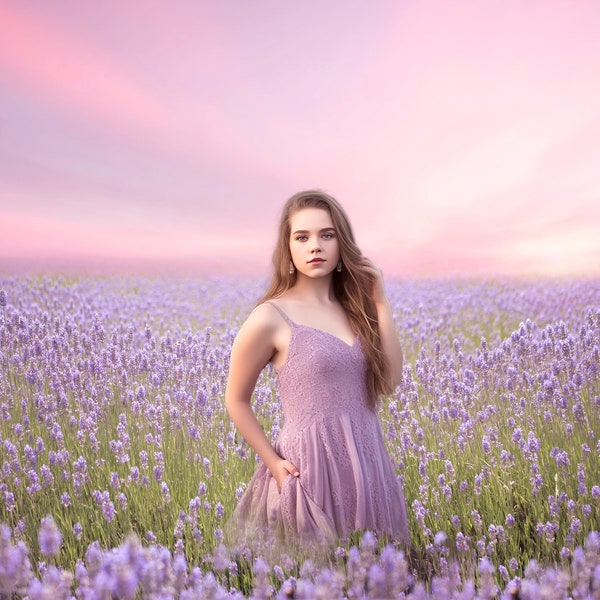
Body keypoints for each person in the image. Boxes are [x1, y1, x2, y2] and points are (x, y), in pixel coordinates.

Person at [225, 190, 410, 551]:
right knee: (315, 573)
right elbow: (236, 399)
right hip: (309, 466)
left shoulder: (357, 310)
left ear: (342, 243)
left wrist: (380, 302)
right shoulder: (269, 317)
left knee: (373, 573)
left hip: (367, 455)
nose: (315, 246)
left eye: (327, 235)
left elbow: (389, 382)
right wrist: (274, 463)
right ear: (288, 248)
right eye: (302, 237)